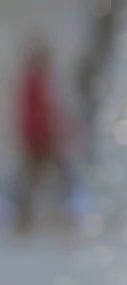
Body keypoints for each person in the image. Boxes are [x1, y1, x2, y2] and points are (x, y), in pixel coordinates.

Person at [14, 44, 74, 232]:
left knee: (35, 179)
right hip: (40, 138)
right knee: (51, 177)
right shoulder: (35, 82)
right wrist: (50, 132)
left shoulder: (33, 81)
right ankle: (63, 214)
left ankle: (29, 218)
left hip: (38, 137)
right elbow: (40, 113)